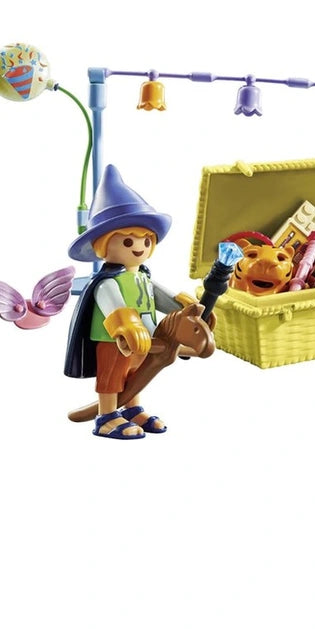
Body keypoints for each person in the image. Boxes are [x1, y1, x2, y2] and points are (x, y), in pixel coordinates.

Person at [64, 165, 197, 439]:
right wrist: (128, 327)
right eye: (128, 242)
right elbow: (114, 306)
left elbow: (162, 298)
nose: (139, 247)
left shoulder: (144, 277)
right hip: (116, 340)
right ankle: (106, 417)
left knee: (136, 373)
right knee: (113, 376)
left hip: (146, 339)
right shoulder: (107, 282)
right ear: (103, 245)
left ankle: (132, 408)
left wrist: (185, 308)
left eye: (146, 240)